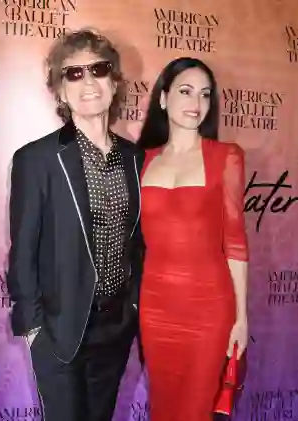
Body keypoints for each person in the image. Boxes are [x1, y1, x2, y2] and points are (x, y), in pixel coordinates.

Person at [6, 29, 145, 421]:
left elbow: (138, 242)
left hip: (115, 328)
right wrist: (34, 330)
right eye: (73, 73)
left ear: (114, 82)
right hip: (58, 330)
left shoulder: (136, 159)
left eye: (98, 69)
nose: (88, 81)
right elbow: (23, 252)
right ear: (60, 91)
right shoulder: (37, 160)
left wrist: (132, 306)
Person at [137, 57, 249, 421]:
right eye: (186, 92)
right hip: (155, 308)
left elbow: (235, 242)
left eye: (204, 95)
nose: (196, 103)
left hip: (209, 308)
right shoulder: (141, 160)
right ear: (164, 98)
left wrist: (241, 317)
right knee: (165, 408)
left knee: (196, 411)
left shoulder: (226, 157)